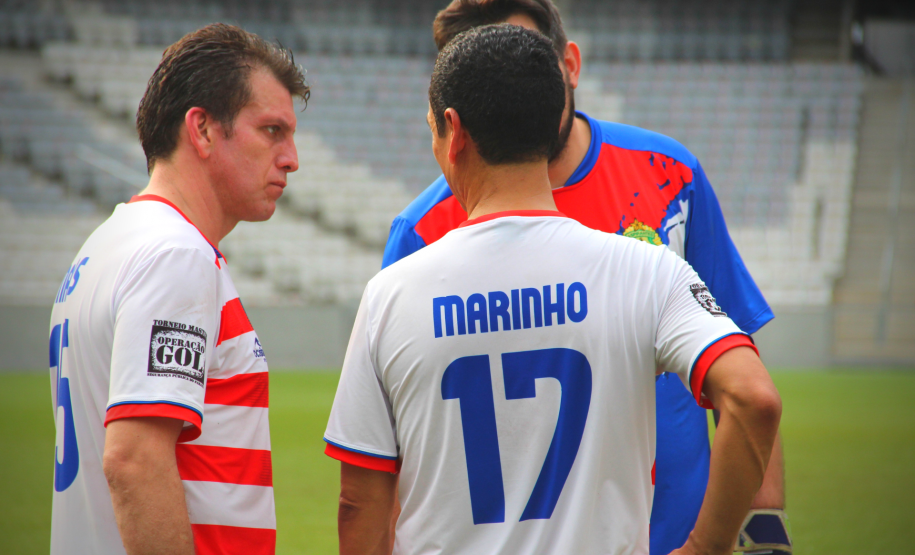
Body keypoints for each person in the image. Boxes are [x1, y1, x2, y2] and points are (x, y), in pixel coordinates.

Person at [325, 24, 781, 555]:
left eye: (433, 127)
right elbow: (754, 399)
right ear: (552, 121)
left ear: (455, 132)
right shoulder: (649, 271)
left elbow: (360, 502)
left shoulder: (391, 295)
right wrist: (705, 548)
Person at [48, 23, 308, 555]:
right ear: (204, 130)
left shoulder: (109, 243)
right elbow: (134, 460)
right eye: (272, 131)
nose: (291, 158)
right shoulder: (176, 254)